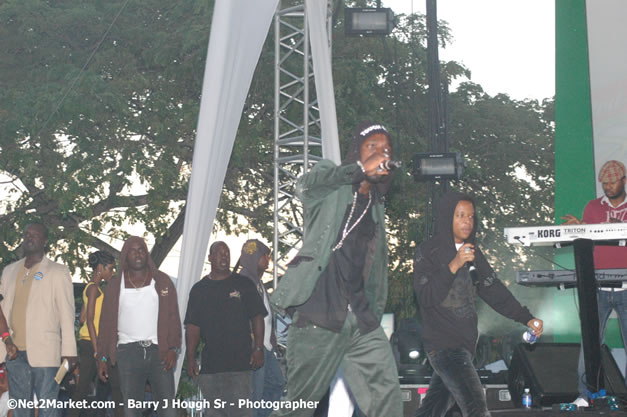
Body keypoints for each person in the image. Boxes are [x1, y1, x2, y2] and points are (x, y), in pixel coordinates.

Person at [270, 122, 403, 417]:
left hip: (361, 320)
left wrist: (373, 310)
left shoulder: (376, 207)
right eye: (373, 147)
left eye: (386, 151)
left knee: (386, 396)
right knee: (298, 408)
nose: (381, 154)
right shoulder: (331, 181)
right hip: (320, 315)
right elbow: (306, 186)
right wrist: (356, 169)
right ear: (357, 151)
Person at [413, 192, 543, 417]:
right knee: (476, 408)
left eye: (471, 217)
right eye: (460, 216)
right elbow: (425, 297)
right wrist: (454, 264)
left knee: (431, 411)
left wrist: (526, 318)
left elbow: (494, 291)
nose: (467, 222)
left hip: (464, 346)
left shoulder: (473, 252)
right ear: (447, 218)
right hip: (445, 347)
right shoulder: (429, 251)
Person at [561, 159, 627, 407]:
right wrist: (580, 228)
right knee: (589, 344)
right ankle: (585, 395)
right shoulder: (593, 207)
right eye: (604, 183)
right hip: (598, 287)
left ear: (624, 181)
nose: (608, 187)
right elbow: (588, 238)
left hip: (626, 287)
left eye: (612, 182)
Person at [96, 237, 181, 417]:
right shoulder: (114, 285)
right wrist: (102, 358)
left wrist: (173, 348)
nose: (138, 253)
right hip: (127, 353)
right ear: (126, 256)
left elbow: (174, 316)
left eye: (141, 249)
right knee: (131, 409)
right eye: (133, 250)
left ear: (147, 254)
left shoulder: (162, 281)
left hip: (160, 352)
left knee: (168, 408)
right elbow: (105, 324)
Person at [0, 222, 78, 417]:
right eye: (26, 233)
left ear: (45, 241)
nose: (29, 237)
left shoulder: (58, 272)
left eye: (35, 234)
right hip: (15, 353)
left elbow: (67, 315)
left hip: (46, 354)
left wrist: (69, 351)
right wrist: (5, 339)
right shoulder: (9, 271)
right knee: (20, 408)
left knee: (47, 408)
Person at [184, 241, 266, 417]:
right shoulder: (199, 290)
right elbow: (192, 326)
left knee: (240, 412)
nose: (224, 256)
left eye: (227, 253)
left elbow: (257, 316)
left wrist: (258, 348)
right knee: (215, 412)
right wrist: (190, 358)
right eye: (220, 253)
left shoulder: (243, 284)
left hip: (240, 364)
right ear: (210, 258)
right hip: (211, 366)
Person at [235, 240, 285, 417]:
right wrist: (255, 347)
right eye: (266, 255)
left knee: (276, 384)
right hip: (254, 346)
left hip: (266, 347)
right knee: (254, 395)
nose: (268, 260)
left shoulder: (257, 283)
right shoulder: (242, 282)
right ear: (256, 256)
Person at [69, 251, 122, 417]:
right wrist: (98, 350)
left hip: (88, 342)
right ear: (100, 268)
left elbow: (83, 318)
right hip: (94, 343)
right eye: (111, 269)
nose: (112, 273)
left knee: (87, 388)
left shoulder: (90, 287)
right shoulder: (94, 289)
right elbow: (90, 321)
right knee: (110, 388)